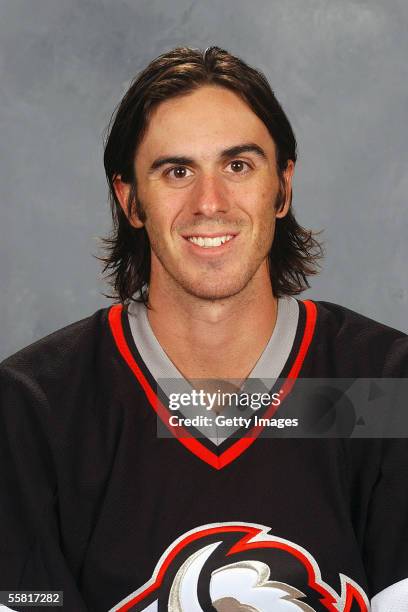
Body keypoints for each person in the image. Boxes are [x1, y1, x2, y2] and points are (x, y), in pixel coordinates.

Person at [0, 46, 407, 612]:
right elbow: (24, 599)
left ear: (282, 187)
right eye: (177, 171)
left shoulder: (383, 391)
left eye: (238, 166)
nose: (209, 202)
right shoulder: (33, 410)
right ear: (130, 201)